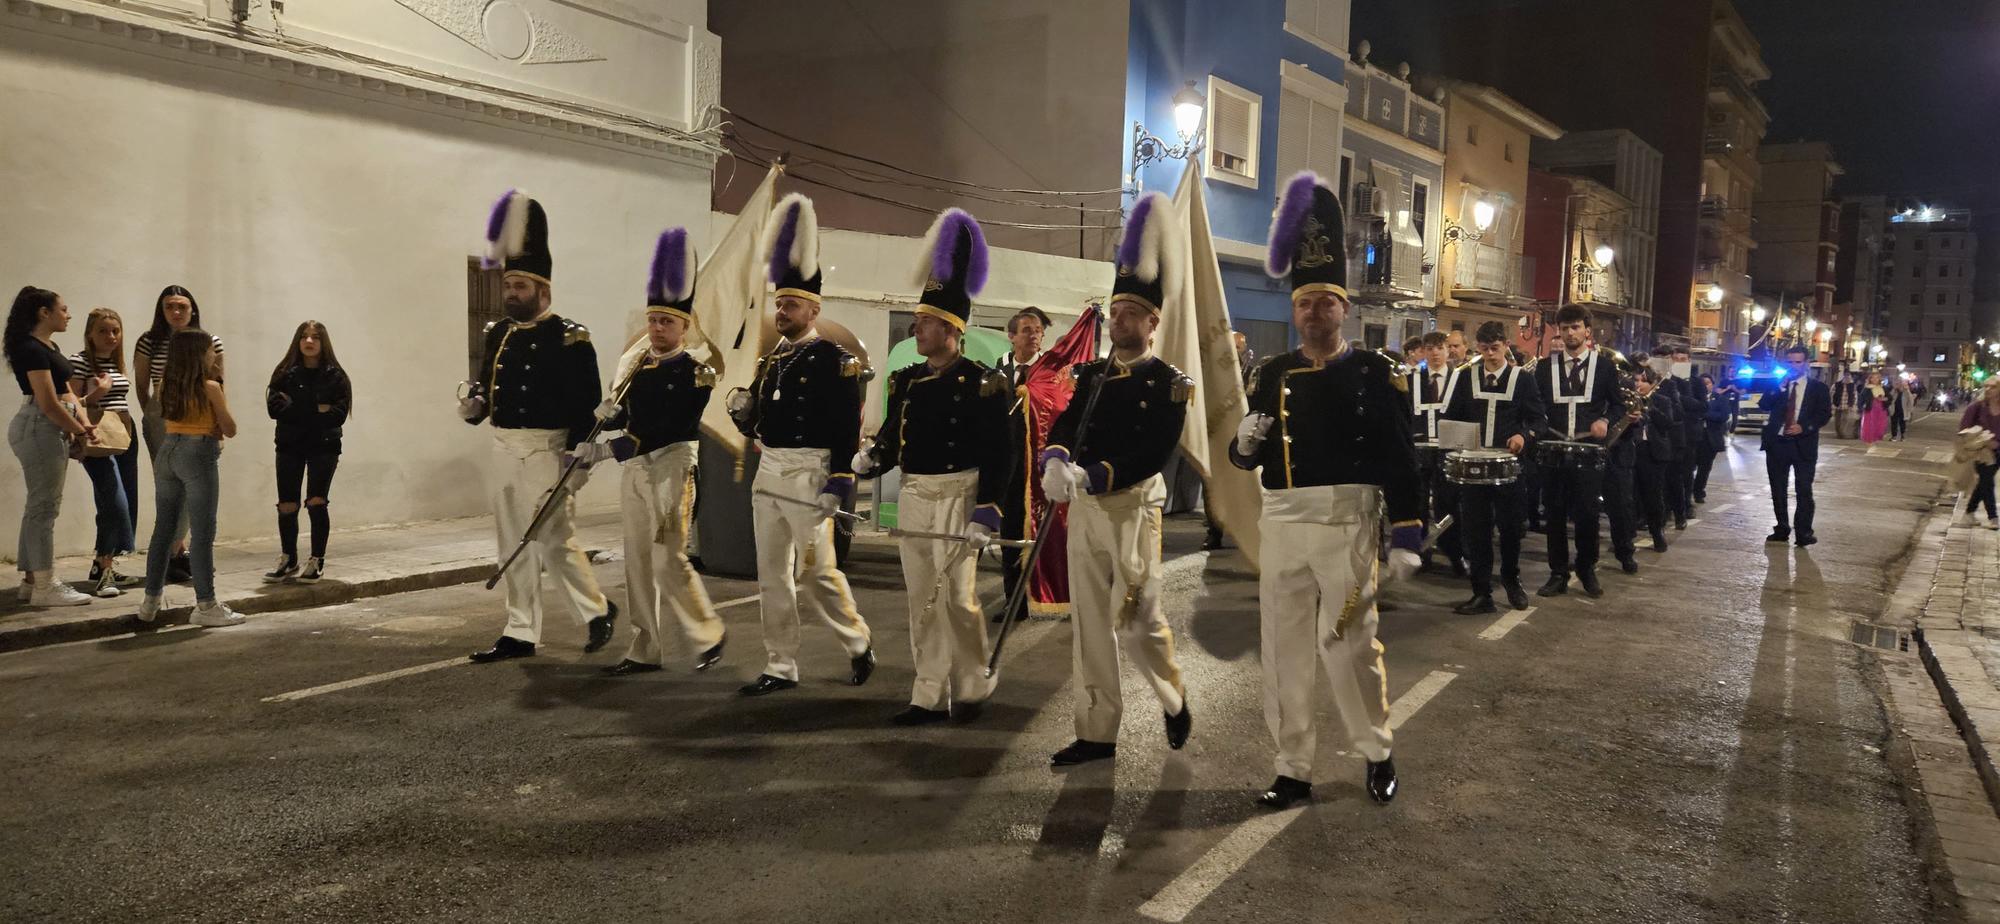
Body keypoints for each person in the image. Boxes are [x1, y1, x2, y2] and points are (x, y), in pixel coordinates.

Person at [1232, 172, 1422, 808]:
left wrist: (1407, 530)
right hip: (1282, 520)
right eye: (1304, 303)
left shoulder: (1373, 370)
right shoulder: (1271, 373)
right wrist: (1244, 443)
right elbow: (1243, 457)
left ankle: (1376, 749)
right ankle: (1292, 766)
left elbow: (1400, 453)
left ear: (1345, 307)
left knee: (1347, 646)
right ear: (1294, 310)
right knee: (1283, 648)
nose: (1314, 313)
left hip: (1347, 522)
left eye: (1326, 302)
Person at [1036, 190, 1193, 767]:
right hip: (1086, 509)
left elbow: (1153, 450)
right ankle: (1096, 731)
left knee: (1138, 621)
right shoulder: (1091, 374)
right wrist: (1053, 459)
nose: (1119, 320)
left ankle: (1172, 697)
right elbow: (1066, 421)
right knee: (1090, 625)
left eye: (1130, 313)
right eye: (1115, 310)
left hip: (1130, 509)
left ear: (1152, 321)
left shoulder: (1167, 382)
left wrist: (1090, 474)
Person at [854, 208, 1008, 724]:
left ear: (951, 328)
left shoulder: (984, 382)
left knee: (958, 599)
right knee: (922, 600)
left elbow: (997, 450)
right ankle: (926, 692)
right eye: (918, 320)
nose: (917, 328)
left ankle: (971, 681)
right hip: (916, 496)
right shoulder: (906, 380)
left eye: (925, 322)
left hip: (960, 496)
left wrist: (987, 510)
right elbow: (897, 438)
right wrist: (871, 460)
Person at [456, 190, 617, 662]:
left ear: (544, 290)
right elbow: (488, 390)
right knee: (512, 541)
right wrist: (475, 407)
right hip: (504, 447)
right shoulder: (499, 334)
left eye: (521, 287)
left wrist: (578, 462)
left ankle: (596, 609)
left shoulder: (571, 337)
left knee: (550, 536)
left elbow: (587, 407)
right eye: (508, 286)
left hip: (548, 451)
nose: (511, 294)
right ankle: (520, 630)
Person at [727, 192, 875, 696]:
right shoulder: (772, 360)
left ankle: (856, 639)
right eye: (779, 303)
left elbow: (843, 425)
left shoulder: (834, 360)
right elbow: (762, 424)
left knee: (816, 572)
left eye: (790, 304)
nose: (781, 311)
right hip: (771, 471)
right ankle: (780, 663)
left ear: (813, 308)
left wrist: (840, 479)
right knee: (771, 574)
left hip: (811, 472)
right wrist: (747, 419)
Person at [582, 228, 727, 675]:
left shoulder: (696, 373)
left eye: (667, 321)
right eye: (653, 320)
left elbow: (668, 427)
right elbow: (631, 416)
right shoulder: (638, 366)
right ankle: (645, 648)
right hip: (637, 470)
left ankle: (708, 632)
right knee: (638, 562)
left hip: (673, 469)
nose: (657, 328)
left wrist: (612, 449)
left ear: (685, 325)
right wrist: (609, 414)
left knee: (667, 556)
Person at [136, 328, 242, 626]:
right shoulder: (210, 387)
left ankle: (150, 601)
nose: (214, 355)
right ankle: (206, 605)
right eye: (210, 350)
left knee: (164, 530)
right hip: (198, 454)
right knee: (202, 533)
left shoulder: (166, 384)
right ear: (200, 354)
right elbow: (230, 428)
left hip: (168, 450)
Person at [1441, 321, 1544, 614]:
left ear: (1505, 345)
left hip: (1509, 469)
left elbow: (1539, 420)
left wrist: (1523, 436)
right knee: (1476, 531)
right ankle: (1481, 592)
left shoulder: (1522, 379)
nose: (1490, 355)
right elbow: (1452, 416)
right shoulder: (1466, 378)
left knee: (1511, 529)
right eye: (1485, 349)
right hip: (1474, 470)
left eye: (1495, 348)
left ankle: (1512, 581)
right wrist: (1455, 441)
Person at [7, 286, 95, 607]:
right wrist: (80, 430)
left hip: (50, 427)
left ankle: (32, 582)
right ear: (44, 313)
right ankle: (46, 584)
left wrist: (80, 426)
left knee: (39, 505)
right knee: (44, 508)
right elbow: (47, 403)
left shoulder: (49, 345)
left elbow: (66, 394)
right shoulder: (30, 348)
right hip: (38, 426)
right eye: (63, 309)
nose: (68, 315)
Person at [132, 285, 222, 584]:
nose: (176, 312)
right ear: (162, 310)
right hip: (164, 412)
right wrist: (153, 414)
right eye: (170, 306)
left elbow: (219, 381)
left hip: (200, 413)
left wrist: (218, 424)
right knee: (169, 485)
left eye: (182, 306)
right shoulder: (150, 341)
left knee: (193, 485)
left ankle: (176, 551)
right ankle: (171, 553)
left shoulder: (209, 340)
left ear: (192, 309)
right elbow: (142, 384)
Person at [1532, 304, 1621, 598]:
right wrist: (1539, 423)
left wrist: (1605, 420)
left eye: (1575, 328)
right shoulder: (1545, 368)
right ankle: (1558, 572)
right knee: (1554, 515)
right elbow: (1535, 406)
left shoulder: (1605, 367)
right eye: (1565, 328)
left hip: (1588, 453)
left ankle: (1586, 569)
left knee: (1587, 514)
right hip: (1554, 453)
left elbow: (1619, 403)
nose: (1570, 333)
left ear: (1587, 331)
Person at [263, 321, 351, 584]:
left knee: (316, 501)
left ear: (323, 343)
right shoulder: (285, 373)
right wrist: (316, 408)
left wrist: (296, 408)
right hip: (290, 444)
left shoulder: (335, 376)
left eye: (315, 337)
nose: (309, 341)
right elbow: (274, 410)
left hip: (324, 445)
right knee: (287, 504)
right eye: (304, 336)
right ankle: (288, 557)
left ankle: (317, 559)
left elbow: (337, 416)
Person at [70, 307, 144, 597]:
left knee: (120, 499)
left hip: (123, 431)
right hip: (96, 432)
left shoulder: (115, 362)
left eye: (115, 330)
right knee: (115, 501)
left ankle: (103, 565)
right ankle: (105, 571)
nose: (111, 336)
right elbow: (72, 402)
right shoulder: (79, 362)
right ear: (90, 333)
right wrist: (95, 395)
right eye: (103, 330)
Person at [994, 305, 1049, 624]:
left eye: (1038, 330)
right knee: (1011, 532)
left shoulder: (1052, 370)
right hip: (1010, 466)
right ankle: (1014, 600)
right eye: (1027, 330)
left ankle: (1053, 591)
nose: (1034, 335)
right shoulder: (998, 369)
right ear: (1012, 336)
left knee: (1049, 533)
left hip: (1042, 465)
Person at [1760, 344, 1832, 547]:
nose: (1793, 366)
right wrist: (1780, 387)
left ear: (1807, 364)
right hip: (1778, 444)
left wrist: (1805, 427)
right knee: (1778, 488)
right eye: (1790, 362)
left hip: (1803, 445)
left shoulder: (1818, 388)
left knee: (1803, 489)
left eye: (1798, 362)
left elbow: (1824, 414)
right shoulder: (1779, 384)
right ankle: (1781, 528)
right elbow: (1764, 404)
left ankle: (1804, 532)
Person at [1629, 364, 1675, 554]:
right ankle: (1626, 537)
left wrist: (1650, 408)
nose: (1639, 384)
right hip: (1632, 451)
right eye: (1636, 380)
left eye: (1643, 381)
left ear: (1653, 384)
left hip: (1652, 452)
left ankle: (1657, 534)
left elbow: (1667, 423)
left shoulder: (1662, 400)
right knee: (1629, 497)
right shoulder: (1627, 400)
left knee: (1653, 496)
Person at [1666, 344, 1704, 522]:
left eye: (1683, 360)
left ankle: (1687, 504)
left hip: (1689, 433)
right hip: (1669, 432)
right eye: (1676, 359)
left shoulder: (1696, 382)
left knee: (1687, 471)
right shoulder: (1666, 379)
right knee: (1669, 472)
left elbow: (1703, 406)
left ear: (1689, 361)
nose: (1679, 362)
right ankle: (1668, 506)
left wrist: (1681, 398)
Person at [1958, 379, 2000, 528]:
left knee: (1984, 482)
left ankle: (1969, 513)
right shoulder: (1976, 407)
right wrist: (1984, 439)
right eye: (1986, 386)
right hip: (1981, 451)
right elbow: (1964, 429)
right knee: (1987, 481)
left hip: (1998, 450)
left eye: (1993, 387)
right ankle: (1993, 517)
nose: (1988, 389)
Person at [1695, 375, 1732, 502]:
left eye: (1708, 383)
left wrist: (1704, 414)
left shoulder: (1720, 399)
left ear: (1712, 384)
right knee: (1689, 468)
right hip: (1694, 437)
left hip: (1709, 438)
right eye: (1703, 383)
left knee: (1704, 468)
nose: (1705, 386)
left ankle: (1699, 491)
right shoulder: (1693, 398)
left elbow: (1723, 416)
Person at [1859, 371, 1889, 445]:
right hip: (1870, 408)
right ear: (1870, 379)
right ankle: (1869, 439)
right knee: (1870, 424)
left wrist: (1885, 399)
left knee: (1880, 425)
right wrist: (1862, 407)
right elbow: (1861, 399)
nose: (1875, 379)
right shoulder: (1867, 388)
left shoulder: (1883, 388)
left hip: (1881, 409)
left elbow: (1889, 397)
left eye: (1877, 378)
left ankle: (1877, 437)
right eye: (1873, 378)